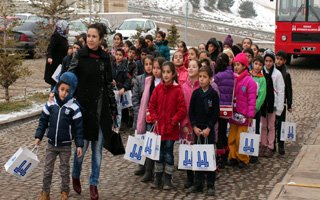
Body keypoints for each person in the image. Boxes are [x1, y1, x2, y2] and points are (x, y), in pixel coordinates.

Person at [68, 23, 117, 200]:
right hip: (82, 111)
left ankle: (93, 184)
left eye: (94, 36)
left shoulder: (106, 58)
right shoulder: (79, 55)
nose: (90, 39)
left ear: (101, 39)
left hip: (100, 111)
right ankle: (75, 174)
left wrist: (113, 110)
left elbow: (109, 85)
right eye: (88, 35)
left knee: (97, 152)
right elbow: (69, 78)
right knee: (81, 149)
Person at [35, 72, 84, 200]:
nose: (63, 93)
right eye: (62, 89)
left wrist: (79, 145)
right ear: (57, 88)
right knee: (47, 171)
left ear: (72, 91)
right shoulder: (51, 104)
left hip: (65, 146)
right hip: (51, 144)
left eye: (67, 91)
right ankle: (45, 193)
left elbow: (79, 129)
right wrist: (38, 137)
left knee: (64, 170)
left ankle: (64, 191)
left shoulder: (74, 107)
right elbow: (43, 121)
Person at [147, 61, 187, 190]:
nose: (165, 75)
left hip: (171, 128)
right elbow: (151, 105)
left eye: (168, 72)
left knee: (168, 153)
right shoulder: (158, 89)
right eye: (163, 72)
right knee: (159, 153)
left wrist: (174, 120)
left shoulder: (178, 89)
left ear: (173, 74)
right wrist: (154, 118)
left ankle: (167, 179)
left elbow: (182, 109)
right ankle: (157, 177)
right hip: (159, 128)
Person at [187, 65, 220, 196]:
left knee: (209, 156)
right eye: (200, 77)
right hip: (197, 130)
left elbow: (215, 113)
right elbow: (191, 112)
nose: (201, 79)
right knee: (198, 156)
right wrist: (194, 126)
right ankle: (198, 183)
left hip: (208, 130)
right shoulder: (196, 93)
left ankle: (210, 184)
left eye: (204, 77)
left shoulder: (213, 94)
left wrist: (209, 127)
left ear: (210, 79)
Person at [228, 52, 257, 168]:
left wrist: (250, 114)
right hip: (233, 115)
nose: (236, 67)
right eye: (235, 64)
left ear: (245, 66)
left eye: (239, 64)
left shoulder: (250, 82)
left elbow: (251, 100)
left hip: (244, 116)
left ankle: (243, 158)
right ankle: (233, 156)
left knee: (241, 138)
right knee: (232, 138)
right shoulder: (232, 79)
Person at [180, 60, 202, 189]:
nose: (191, 68)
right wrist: (183, 124)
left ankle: (199, 177)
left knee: (198, 150)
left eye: (194, 66)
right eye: (189, 67)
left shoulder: (202, 86)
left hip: (198, 125)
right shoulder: (183, 87)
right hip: (186, 125)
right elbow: (181, 107)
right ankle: (189, 177)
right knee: (187, 151)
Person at [260, 49, 285, 158]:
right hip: (262, 103)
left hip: (272, 105)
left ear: (273, 61)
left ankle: (270, 146)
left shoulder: (277, 74)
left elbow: (281, 91)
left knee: (271, 126)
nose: (268, 63)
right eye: (266, 61)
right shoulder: (260, 72)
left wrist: (279, 108)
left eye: (270, 61)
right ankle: (263, 144)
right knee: (263, 126)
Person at [214, 53, 234, 168]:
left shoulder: (218, 76)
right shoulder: (231, 74)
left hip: (219, 107)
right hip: (227, 108)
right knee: (223, 132)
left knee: (219, 134)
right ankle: (226, 154)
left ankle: (220, 158)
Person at [249, 55, 267, 163]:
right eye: (256, 64)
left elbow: (262, 95)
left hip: (255, 109)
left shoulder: (262, 79)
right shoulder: (248, 75)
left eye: (260, 65)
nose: (257, 66)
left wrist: (255, 108)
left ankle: (254, 153)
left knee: (255, 130)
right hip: (246, 107)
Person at [275, 50, 292, 155]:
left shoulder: (286, 74)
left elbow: (289, 90)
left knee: (281, 124)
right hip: (273, 101)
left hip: (282, 102)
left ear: (285, 61)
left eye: (281, 59)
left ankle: (281, 145)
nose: (278, 61)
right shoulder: (272, 71)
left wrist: (289, 103)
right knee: (272, 124)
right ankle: (271, 143)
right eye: (277, 58)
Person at [44, 20, 69, 90]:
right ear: (62, 27)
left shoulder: (64, 36)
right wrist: (49, 57)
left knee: (59, 82)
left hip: (61, 63)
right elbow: (50, 48)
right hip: (55, 63)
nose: (67, 29)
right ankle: (53, 98)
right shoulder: (56, 36)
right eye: (66, 28)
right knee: (55, 81)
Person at [112, 48, 132, 133]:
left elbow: (128, 80)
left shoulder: (125, 67)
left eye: (120, 55)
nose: (118, 57)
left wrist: (124, 87)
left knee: (118, 110)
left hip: (119, 91)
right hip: (111, 90)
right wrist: (110, 80)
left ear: (123, 56)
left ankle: (116, 127)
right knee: (111, 109)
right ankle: (110, 126)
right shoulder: (111, 65)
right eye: (117, 54)